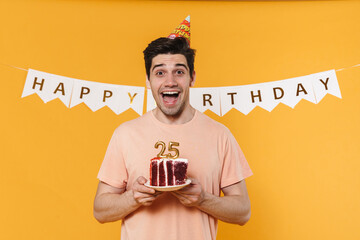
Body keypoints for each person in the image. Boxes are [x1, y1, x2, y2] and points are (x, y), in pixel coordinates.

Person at [93, 37, 253, 240]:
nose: (170, 81)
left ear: (192, 78)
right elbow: (100, 211)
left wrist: (202, 199)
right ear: (148, 80)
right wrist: (133, 197)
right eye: (160, 72)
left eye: (179, 72)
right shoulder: (125, 134)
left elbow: (243, 212)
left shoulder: (220, 134)